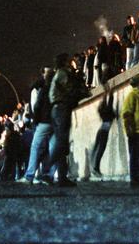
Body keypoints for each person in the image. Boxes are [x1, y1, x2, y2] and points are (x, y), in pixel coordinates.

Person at [46, 53, 88, 187]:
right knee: (62, 143)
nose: (71, 63)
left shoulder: (59, 74)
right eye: (68, 61)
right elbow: (70, 90)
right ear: (64, 62)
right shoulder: (63, 74)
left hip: (58, 109)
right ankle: (46, 169)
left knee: (62, 143)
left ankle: (62, 178)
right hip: (61, 108)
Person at [24, 66, 55, 183]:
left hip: (43, 121)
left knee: (36, 147)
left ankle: (30, 175)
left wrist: (36, 120)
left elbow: (36, 107)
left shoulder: (43, 89)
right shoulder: (56, 87)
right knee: (53, 148)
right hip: (55, 122)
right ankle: (50, 175)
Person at [90, 90, 116, 177]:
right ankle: (96, 168)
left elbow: (107, 101)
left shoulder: (103, 112)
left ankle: (95, 167)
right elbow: (110, 101)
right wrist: (110, 92)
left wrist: (106, 93)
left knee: (98, 149)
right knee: (101, 150)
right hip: (104, 132)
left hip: (101, 130)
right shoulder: (108, 111)